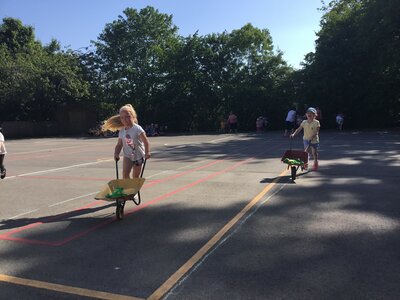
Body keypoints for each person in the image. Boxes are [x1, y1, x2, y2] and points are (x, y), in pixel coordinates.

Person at [102, 104, 151, 178]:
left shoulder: (137, 129)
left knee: (135, 176)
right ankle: (128, 188)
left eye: (127, 117)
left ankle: (134, 188)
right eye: (122, 118)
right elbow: (119, 145)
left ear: (133, 116)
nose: (125, 120)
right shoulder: (122, 131)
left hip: (138, 156)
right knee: (125, 174)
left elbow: (146, 141)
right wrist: (116, 153)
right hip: (128, 156)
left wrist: (147, 152)